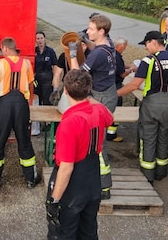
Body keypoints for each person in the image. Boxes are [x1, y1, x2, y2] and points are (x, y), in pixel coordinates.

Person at [45, 69, 113, 239]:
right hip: (92, 179)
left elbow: (66, 168)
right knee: (88, 230)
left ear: (65, 91)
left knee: (64, 231)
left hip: (73, 184)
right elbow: (109, 116)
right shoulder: (98, 110)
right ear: (89, 89)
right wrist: (89, 98)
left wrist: (54, 200)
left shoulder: (69, 123)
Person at [117, 31, 168, 183]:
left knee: (148, 137)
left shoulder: (148, 61)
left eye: (147, 44)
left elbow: (134, 85)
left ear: (154, 42)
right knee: (164, 136)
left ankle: (148, 175)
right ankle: (161, 172)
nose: (146, 48)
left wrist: (115, 94)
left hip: (151, 104)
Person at [69, 14, 116, 199]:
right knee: (97, 140)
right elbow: (97, 48)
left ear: (101, 31)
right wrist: (87, 40)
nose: (87, 31)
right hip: (109, 94)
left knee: (98, 143)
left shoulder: (96, 54)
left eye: (91, 29)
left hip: (101, 98)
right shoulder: (109, 45)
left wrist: (73, 53)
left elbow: (77, 76)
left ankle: (104, 186)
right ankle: (98, 180)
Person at [0, 37, 41, 189]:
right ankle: (30, 179)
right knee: (24, 141)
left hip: (4, 105)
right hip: (21, 104)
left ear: (5, 49)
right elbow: (30, 84)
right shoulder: (27, 63)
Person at [111, 36, 136, 142]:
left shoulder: (112, 53)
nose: (125, 48)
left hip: (110, 83)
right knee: (116, 108)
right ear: (120, 46)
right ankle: (111, 134)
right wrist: (131, 69)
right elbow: (122, 74)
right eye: (125, 46)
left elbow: (120, 66)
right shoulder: (117, 56)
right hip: (115, 85)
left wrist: (129, 65)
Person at [34, 31, 58, 106]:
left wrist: (55, 79)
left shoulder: (50, 51)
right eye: (38, 38)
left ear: (44, 39)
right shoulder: (34, 51)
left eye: (41, 38)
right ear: (35, 40)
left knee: (47, 99)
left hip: (47, 78)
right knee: (38, 98)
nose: (40, 40)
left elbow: (55, 65)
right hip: (37, 79)